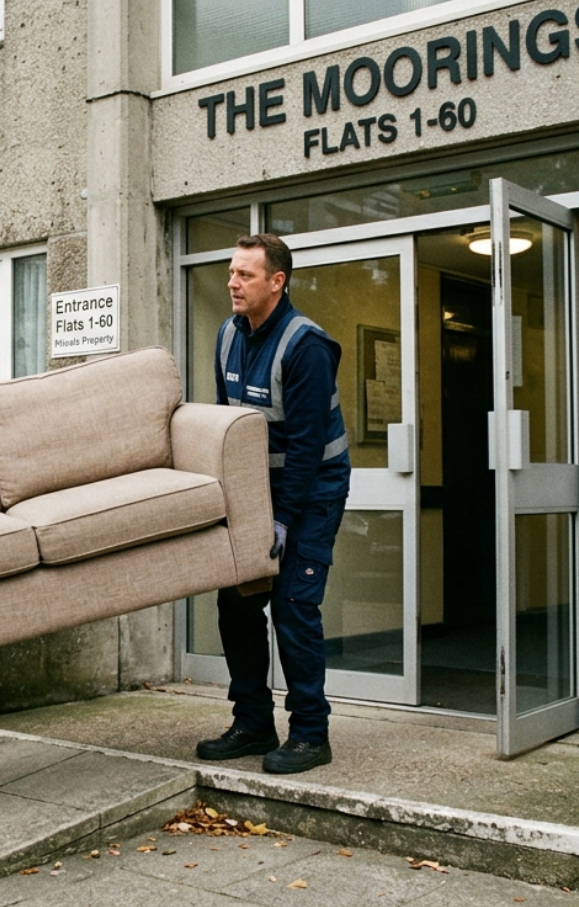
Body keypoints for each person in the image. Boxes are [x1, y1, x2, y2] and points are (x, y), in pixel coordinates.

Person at [196, 233, 351, 775]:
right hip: (256, 492)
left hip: (313, 493)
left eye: (245, 275)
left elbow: (307, 447)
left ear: (277, 282)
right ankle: (253, 723)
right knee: (236, 605)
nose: (232, 283)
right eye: (231, 272)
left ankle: (310, 734)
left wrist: (282, 520)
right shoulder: (228, 336)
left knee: (292, 606)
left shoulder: (307, 346)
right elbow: (226, 425)